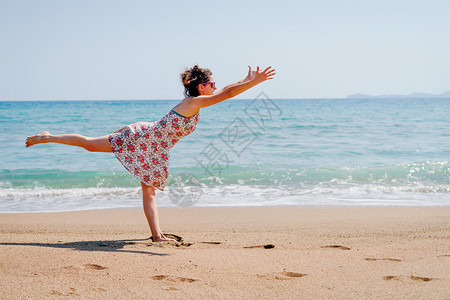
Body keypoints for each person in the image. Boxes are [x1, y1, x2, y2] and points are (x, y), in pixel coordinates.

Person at [25, 65, 276, 242]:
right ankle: (47, 137)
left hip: (155, 148)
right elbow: (227, 94)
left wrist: (245, 79)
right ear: (201, 87)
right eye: (211, 83)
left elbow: (227, 90)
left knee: (149, 191)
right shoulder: (193, 103)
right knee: (91, 144)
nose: (215, 86)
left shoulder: (198, 100)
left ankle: (157, 235)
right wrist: (255, 82)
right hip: (142, 139)